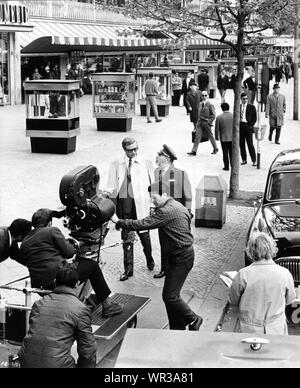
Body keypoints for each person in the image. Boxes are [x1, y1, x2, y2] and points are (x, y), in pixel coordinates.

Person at [111, 181, 203, 331]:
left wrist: (118, 221)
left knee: (170, 296)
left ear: (165, 195)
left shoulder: (166, 212)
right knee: (171, 296)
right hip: (180, 256)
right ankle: (176, 328)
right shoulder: (178, 206)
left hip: (180, 258)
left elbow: (142, 224)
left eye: (154, 198)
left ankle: (193, 319)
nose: (152, 202)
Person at [19, 208, 122, 318]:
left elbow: (38, 256)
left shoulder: (25, 242)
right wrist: (73, 245)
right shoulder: (51, 231)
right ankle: (107, 306)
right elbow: (69, 253)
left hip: (39, 285)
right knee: (92, 265)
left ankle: (82, 299)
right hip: (59, 279)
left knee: (78, 265)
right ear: (49, 223)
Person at [18, 265, 97, 368]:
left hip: (26, 361)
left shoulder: (39, 303)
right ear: (77, 284)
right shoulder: (81, 309)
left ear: (55, 282)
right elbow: (88, 349)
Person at [105, 138, 155, 281]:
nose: (134, 152)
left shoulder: (146, 162)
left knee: (145, 237)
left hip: (141, 206)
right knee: (127, 239)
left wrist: (152, 206)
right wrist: (111, 209)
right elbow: (111, 186)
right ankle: (128, 269)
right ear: (124, 150)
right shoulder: (116, 163)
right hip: (125, 206)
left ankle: (149, 258)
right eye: (130, 150)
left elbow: (153, 186)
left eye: (135, 149)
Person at [229, 232, 296, 335]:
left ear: (251, 250)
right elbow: (290, 299)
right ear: (272, 249)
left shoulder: (243, 274)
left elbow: (233, 301)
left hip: (249, 330)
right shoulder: (284, 274)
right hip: (276, 328)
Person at [153, 145, 193, 279]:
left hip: (177, 215)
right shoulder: (157, 172)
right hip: (163, 214)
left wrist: (187, 214)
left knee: (177, 243)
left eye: (160, 154)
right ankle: (165, 268)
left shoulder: (180, 173)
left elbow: (188, 196)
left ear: (167, 158)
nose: (157, 157)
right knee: (163, 242)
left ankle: (177, 268)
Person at [187, 90, 218, 156]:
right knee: (197, 137)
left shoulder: (210, 104)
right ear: (201, 96)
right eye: (203, 95)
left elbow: (213, 115)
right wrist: (197, 123)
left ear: (208, 96)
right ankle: (194, 151)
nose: (204, 97)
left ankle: (215, 148)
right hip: (200, 123)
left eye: (205, 95)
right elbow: (199, 114)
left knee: (210, 136)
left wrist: (208, 122)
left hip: (206, 123)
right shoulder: (200, 104)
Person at [239, 92, 257, 166]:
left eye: (246, 98)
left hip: (248, 126)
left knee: (250, 144)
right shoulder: (238, 106)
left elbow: (254, 118)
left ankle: (254, 160)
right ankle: (244, 159)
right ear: (241, 99)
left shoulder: (251, 107)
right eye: (244, 99)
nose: (245, 100)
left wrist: (251, 125)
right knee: (241, 144)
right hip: (241, 126)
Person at [215, 102, 233, 171]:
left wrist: (216, 137)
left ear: (222, 109)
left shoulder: (219, 117)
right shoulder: (233, 116)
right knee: (231, 152)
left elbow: (217, 129)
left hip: (223, 138)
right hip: (232, 138)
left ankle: (226, 166)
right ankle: (232, 165)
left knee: (225, 153)